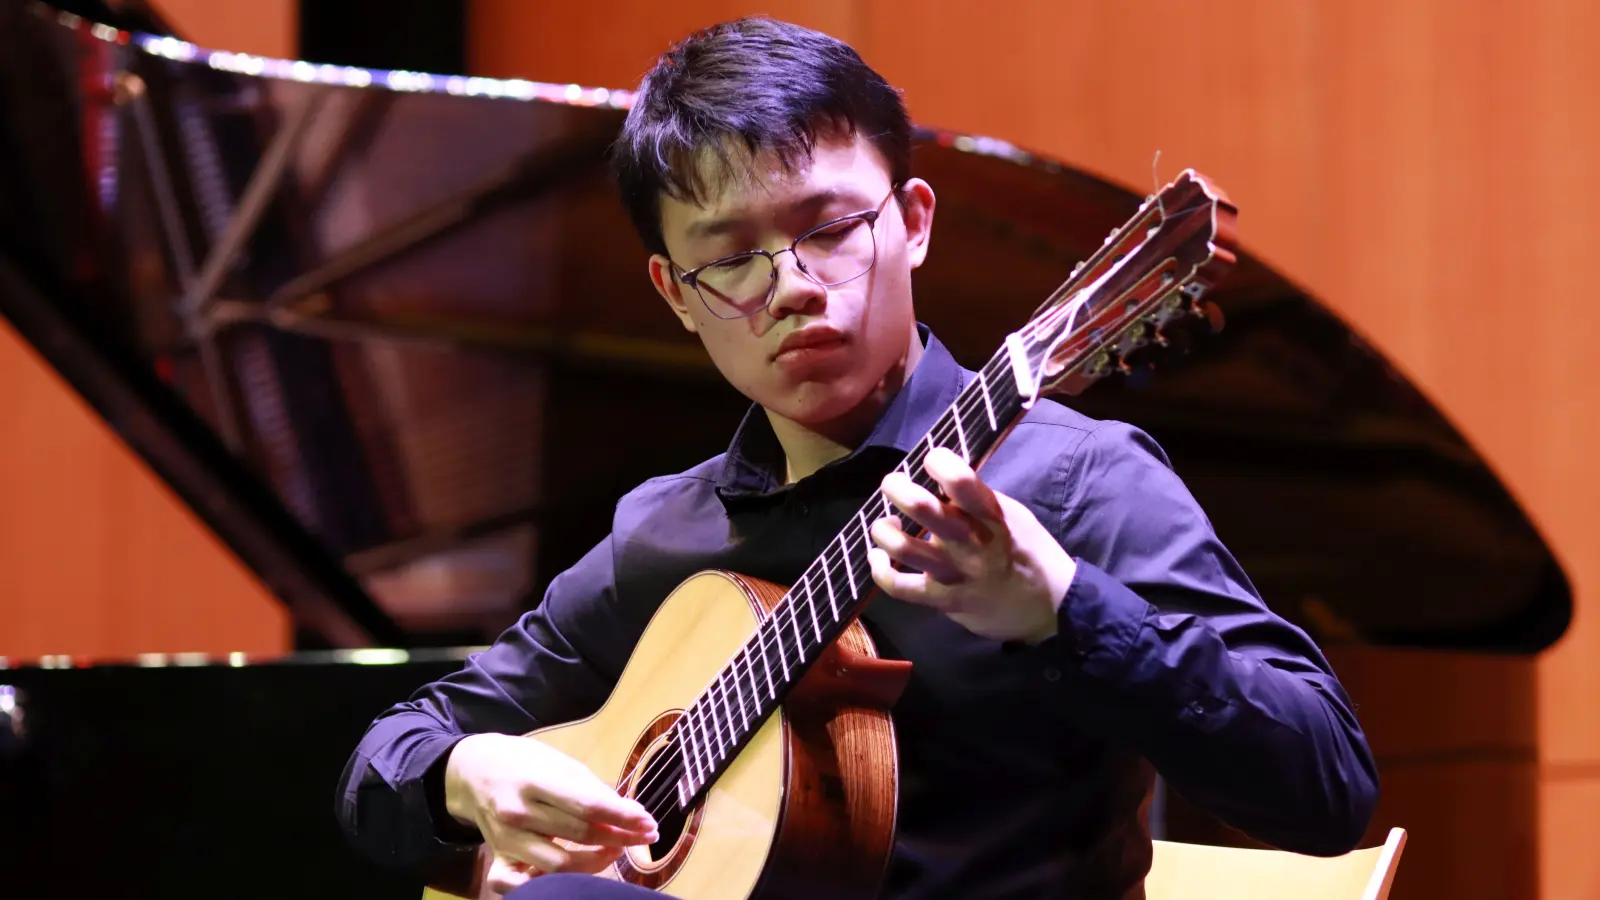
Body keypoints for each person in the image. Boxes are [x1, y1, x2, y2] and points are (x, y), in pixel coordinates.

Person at [334, 16, 1378, 900]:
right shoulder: (664, 538)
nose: (792, 284)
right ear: (674, 295)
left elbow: (1326, 787)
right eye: (732, 256)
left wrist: (1062, 606)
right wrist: (467, 774)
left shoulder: (1075, 481)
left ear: (912, 222)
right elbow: (385, 764)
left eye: (829, 227)